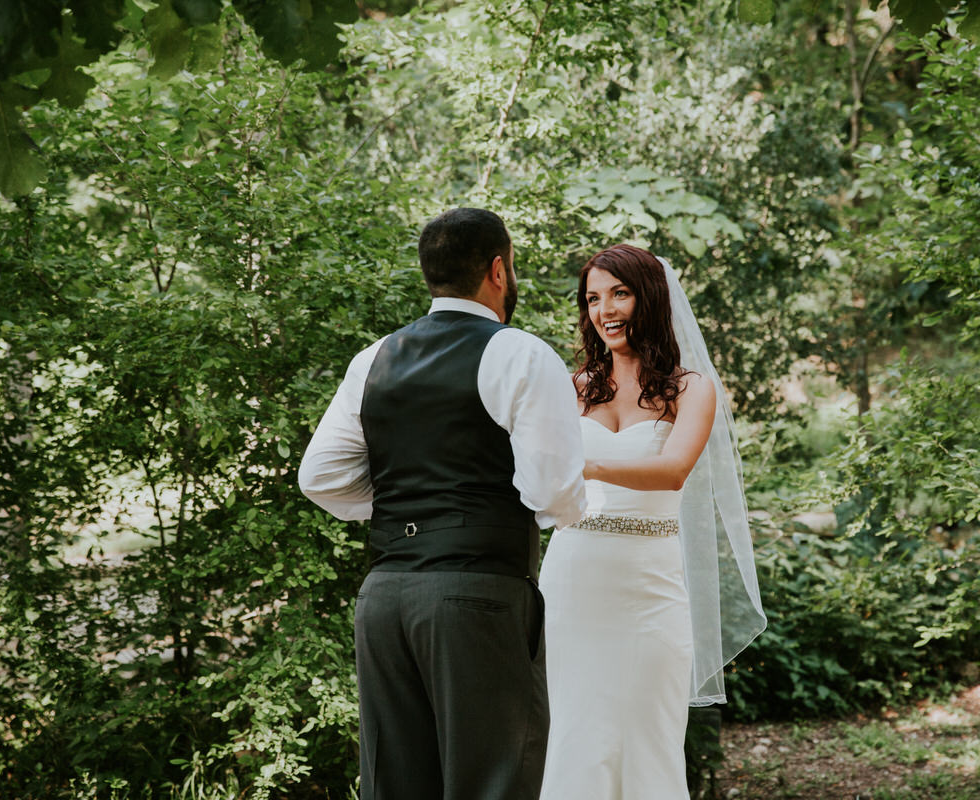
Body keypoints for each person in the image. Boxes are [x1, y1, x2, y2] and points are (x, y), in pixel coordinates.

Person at [298, 208, 589, 800]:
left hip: (384, 598)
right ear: (499, 270)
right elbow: (554, 492)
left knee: (399, 786)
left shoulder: (373, 358)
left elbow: (320, 478)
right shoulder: (522, 355)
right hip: (477, 597)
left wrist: (409, 505)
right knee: (495, 783)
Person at [537, 243, 766, 800]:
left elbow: (671, 472)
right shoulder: (572, 388)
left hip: (650, 581)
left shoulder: (692, 389)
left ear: (650, 298)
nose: (604, 309)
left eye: (619, 293)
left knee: (650, 734)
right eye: (593, 298)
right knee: (575, 733)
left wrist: (581, 465)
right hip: (573, 577)